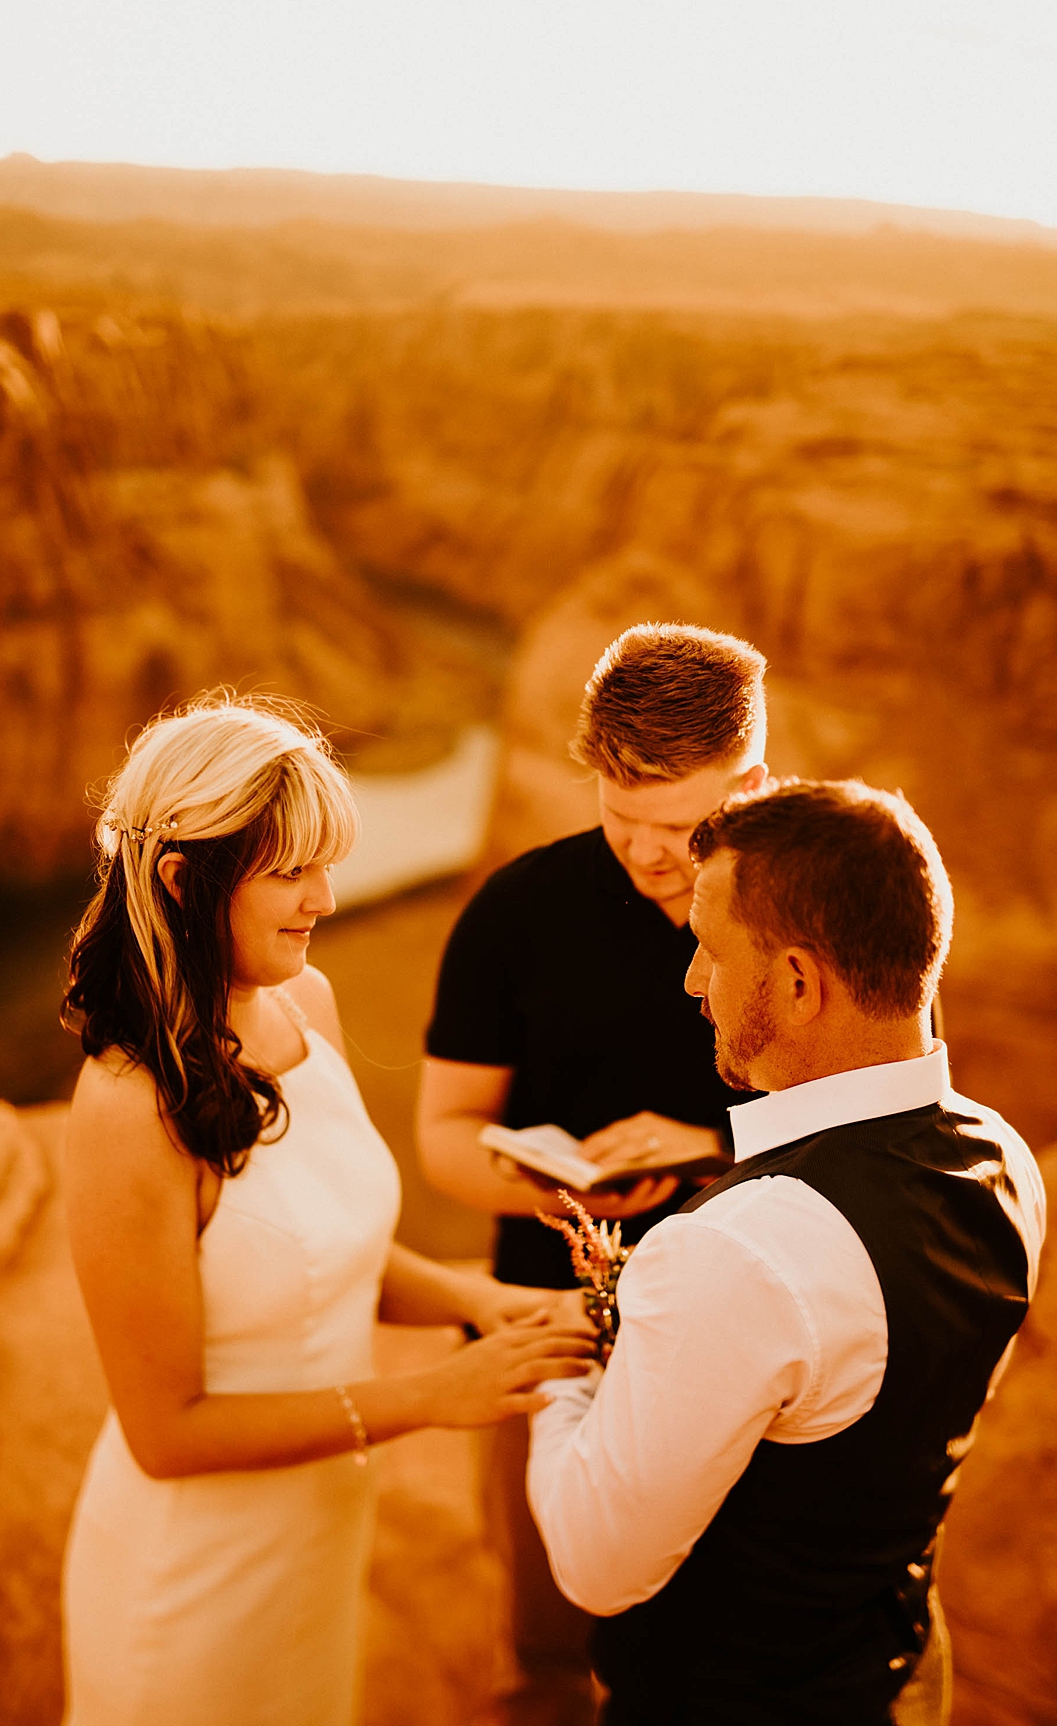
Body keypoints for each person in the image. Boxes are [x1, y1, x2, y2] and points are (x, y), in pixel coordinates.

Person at [59, 696, 593, 1726]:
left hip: (315, 1536)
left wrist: (480, 1298)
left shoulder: (307, 1005)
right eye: (292, 872)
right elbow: (165, 1433)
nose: (327, 899)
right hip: (192, 1579)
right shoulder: (127, 1110)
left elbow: (322, 1242)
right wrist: (436, 1395)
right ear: (183, 881)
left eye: (328, 864)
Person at [527, 779, 1046, 1725]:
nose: (690, 980)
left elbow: (596, 1563)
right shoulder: (1006, 1162)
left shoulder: (738, 1251)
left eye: (710, 950)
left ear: (800, 983)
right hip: (898, 1670)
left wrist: (567, 1369)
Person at [415, 623, 769, 1721]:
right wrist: (556, 1190)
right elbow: (444, 1132)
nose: (648, 853)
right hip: (549, 1329)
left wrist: (710, 1150)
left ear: (754, 780)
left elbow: (882, 1136)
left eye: (680, 825)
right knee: (549, 1657)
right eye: (621, 819)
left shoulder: (836, 909)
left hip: (757, 1349)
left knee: (742, 1648)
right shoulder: (518, 913)